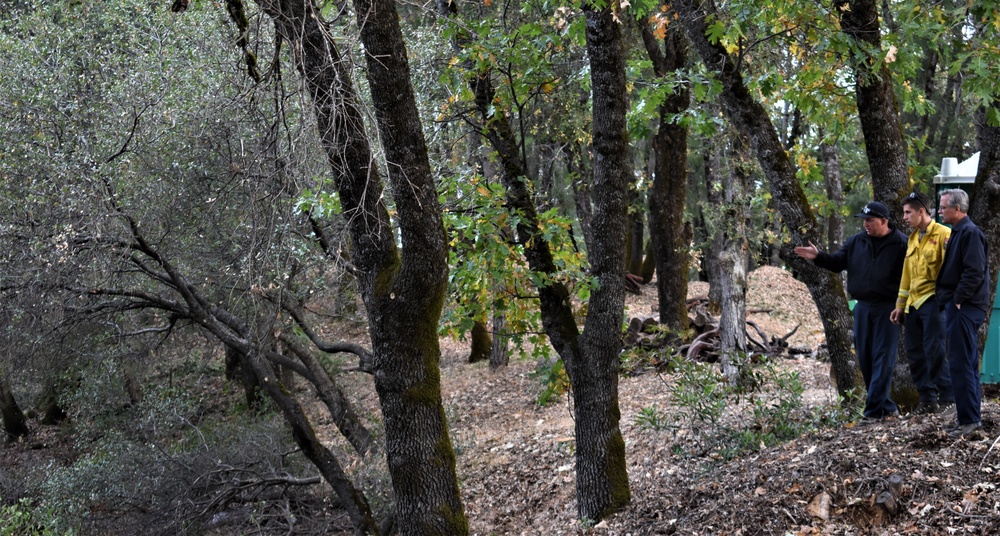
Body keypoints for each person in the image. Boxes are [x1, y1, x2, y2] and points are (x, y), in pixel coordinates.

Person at [795, 201, 907, 422]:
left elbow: (911, 276)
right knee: (865, 358)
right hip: (863, 307)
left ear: (884, 221)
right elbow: (837, 263)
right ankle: (887, 407)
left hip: (889, 307)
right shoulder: (856, 241)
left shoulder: (901, 243)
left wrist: (902, 305)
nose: (865, 224)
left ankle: (873, 413)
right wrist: (818, 256)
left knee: (883, 358)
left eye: (869, 220)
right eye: (863, 220)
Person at [889, 192, 954, 414]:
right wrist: (900, 305)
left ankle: (948, 398)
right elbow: (906, 276)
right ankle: (927, 400)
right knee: (914, 353)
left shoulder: (944, 235)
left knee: (935, 350)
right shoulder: (912, 238)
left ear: (922, 212)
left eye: (908, 212)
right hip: (913, 305)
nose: (904, 217)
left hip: (934, 302)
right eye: (903, 212)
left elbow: (952, 271)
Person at [936, 189, 990, 439]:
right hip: (961, 307)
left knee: (962, 363)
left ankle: (970, 421)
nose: (940, 211)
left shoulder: (970, 233)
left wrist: (957, 299)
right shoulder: (959, 233)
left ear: (958, 209)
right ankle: (967, 418)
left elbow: (974, 272)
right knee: (963, 362)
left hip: (965, 308)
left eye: (944, 207)